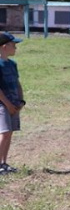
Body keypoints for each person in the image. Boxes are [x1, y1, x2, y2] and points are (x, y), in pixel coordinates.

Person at [0, 32, 25, 174]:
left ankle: (3, 163)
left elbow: (17, 83)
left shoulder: (12, 64)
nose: (16, 47)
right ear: (4, 46)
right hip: (2, 104)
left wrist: (21, 101)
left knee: (9, 134)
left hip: (14, 104)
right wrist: (8, 105)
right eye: (13, 45)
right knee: (4, 132)